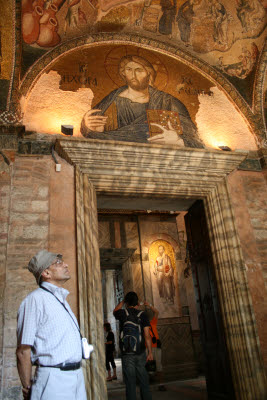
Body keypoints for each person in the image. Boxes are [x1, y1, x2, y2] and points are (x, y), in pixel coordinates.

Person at [81, 54, 204, 148]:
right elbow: (92, 132)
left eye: (139, 70)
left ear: (149, 74)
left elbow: (195, 140)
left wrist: (178, 141)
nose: (133, 75)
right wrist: (87, 126)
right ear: (123, 73)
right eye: (129, 70)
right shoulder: (112, 100)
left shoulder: (168, 102)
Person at [16, 250, 87, 400]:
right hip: (53, 380)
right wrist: (28, 387)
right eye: (59, 263)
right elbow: (23, 351)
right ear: (46, 273)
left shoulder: (61, 299)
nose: (66, 265)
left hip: (76, 376)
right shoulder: (34, 300)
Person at [113, 291, 153, 400]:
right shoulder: (142, 315)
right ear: (137, 302)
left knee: (130, 384)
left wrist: (122, 301)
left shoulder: (122, 313)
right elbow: (147, 335)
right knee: (144, 382)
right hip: (140, 352)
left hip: (127, 354)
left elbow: (115, 311)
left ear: (126, 302)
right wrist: (150, 352)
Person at [144, 302, 166, 391]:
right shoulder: (142, 326)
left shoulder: (153, 322)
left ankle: (161, 384)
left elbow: (156, 312)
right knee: (147, 367)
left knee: (159, 366)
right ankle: (146, 385)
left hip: (156, 346)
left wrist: (149, 306)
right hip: (146, 348)